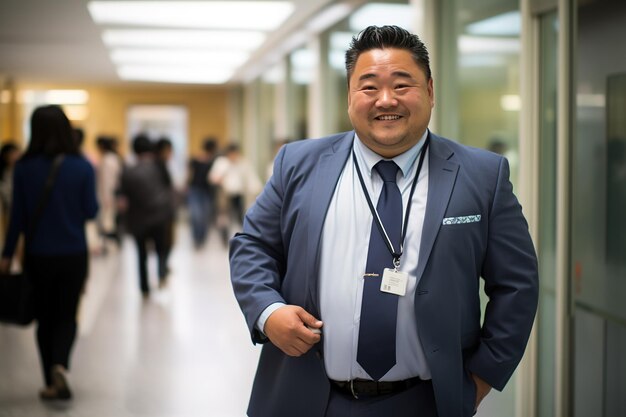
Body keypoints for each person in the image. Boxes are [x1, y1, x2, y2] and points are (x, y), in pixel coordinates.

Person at [229, 25, 539, 417]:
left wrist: (480, 379)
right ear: (349, 97)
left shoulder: (481, 175)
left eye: (402, 84)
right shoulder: (299, 164)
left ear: (430, 91)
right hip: (303, 394)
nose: (385, 100)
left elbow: (517, 284)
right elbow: (252, 245)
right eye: (369, 86)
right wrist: (267, 311)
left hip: (426, 401)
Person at [0, 105, 98, 401]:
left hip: (37, 255)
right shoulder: (82, 166)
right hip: (74, 254)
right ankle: (60, 366)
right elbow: (91, 211)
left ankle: (49, 380)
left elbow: (17, 216)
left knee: (44, 319)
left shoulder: (24, 167)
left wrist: (6, 255)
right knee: (67, 314)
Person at [118, 134, 175, 296]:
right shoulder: (159, 166)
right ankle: (161, 275)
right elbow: (169, 187)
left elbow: (123, 197)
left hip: (138, 218)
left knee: (141, 253)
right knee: (161, 249)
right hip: (160, 215)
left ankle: (144, 288)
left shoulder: (128, 170)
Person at [209, 143, 262, 245]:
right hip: (224, 194)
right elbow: (212, 178)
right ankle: (224, 237)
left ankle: (244, 237)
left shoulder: (243, 163)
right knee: (223, 217)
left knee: (240, 216)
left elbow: (251, 178)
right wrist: (219, 178)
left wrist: (258, 190)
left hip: (238, 194)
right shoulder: (221, 163)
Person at [187, 138, 217, 249]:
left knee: (203, 216)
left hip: (206, 191)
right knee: (196, 216)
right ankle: (197, 239)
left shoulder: (213, 161)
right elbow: (190, 174)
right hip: (196, 190)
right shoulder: (196, 159)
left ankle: (201, 239)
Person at [95, 136, 123, 250]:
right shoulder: (115, 158)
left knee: (107, 222)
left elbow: (107, 182)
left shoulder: (107, 160)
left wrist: (106, 198)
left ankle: (107, 244)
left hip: (107, 196)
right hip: (113, 195)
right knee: (111, 222)